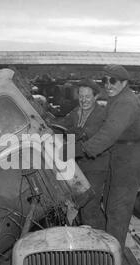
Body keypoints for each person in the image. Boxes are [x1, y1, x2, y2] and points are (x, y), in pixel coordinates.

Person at [76, 64, 140, 251]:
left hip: (129, 161)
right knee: (108, 205)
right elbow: (103, 125)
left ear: (124, 82)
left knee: (117, 212)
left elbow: (109, 132)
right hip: (120, 158)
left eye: (113, 81)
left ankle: (113, 263)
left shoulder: (126, 103)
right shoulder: (116, 99)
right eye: (105, 81)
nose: (108, 85)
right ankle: (108, 251)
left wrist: (82, 149)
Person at [50, 78, 109, 229]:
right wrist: (48, 125)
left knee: (89, 207)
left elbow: (87, 138)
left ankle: (100, 243)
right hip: (79, 166)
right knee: (80, 205)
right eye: (81, 96)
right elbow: (63, 124)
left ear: (96, 96)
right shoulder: (76, 112)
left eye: (87, 96)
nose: (83, 100)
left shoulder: (101, 115)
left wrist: (64, 151)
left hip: (96, 167)